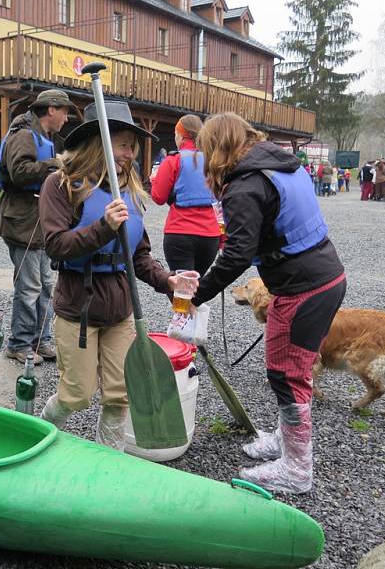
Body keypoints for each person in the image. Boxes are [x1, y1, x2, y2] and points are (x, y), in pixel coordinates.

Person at [189, 112, 346, 494]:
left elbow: (238, 254)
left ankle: (296, 467)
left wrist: (197, 294)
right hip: (321, 278)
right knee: (287, 368)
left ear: (216, 148)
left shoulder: (245, 186)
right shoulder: (277, 162)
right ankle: (285, 439)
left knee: (287, 375)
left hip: (304, 288)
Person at [37, 101, 184, 450]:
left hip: (120, 309)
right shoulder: (61, 186)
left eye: (132, 146)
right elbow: (56, 245)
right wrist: (103, 226)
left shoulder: (131, 192)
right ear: (98, 143)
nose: (129, 153)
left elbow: (139, 254)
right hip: (78, 307)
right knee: (77, 395)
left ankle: (109, 462)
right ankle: (38, 433)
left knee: (120, 395)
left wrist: (167, 281)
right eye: (122, 144)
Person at [0, 89, 75, 364]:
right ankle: (19, 343)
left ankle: (41, 340)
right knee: (29, 287)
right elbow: (19, 172)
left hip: (37, 222)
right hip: (22, 220)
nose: (66, 118)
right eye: (65, 111)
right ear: (51, 109)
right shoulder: (24, 134)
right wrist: (56, 164)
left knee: (45, 285)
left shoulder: (42, 135)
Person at [151, 114, 220, 274]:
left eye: (175, 134)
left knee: (181, 289)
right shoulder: (213, 161)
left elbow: (159, 198)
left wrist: (154, 180)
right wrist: (222, 237)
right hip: (210, 235)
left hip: (180, 232)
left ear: (181, 136)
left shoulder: (173, 160)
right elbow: (221, 203)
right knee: (195, 288)